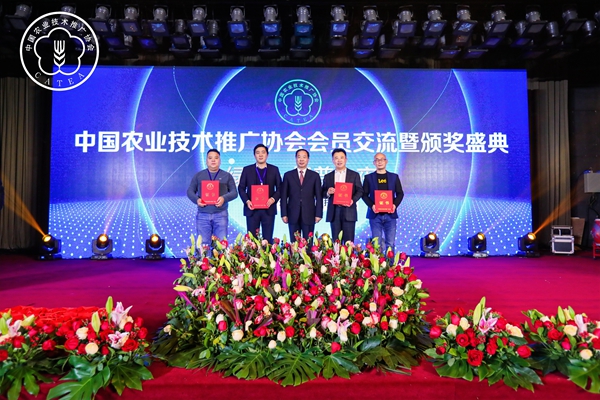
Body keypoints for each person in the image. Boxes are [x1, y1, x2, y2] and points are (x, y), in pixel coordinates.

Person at [187, 149, 238, 246]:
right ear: (206, 161)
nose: (213, 160)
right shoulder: (199, 175)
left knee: (221, 244)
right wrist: (197, 200)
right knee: (203, 244)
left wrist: (224, 198)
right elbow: (190, 191)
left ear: (220, 160)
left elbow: (234, 193)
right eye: (210, 158)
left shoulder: (227, 176)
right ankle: (204, 257)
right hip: (203, 214)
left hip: (221, 214)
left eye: (216, 158)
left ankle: (220, 257)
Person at [238, 144, 282, 242]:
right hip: (252, 209)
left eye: (263, 152)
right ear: (254, 155)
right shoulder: (247, 170)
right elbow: (241, 188)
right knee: (252, 241)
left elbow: (280, 187)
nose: (260, 155)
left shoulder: (274, 169)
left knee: (268, 240)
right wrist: (247, 201)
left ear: (267, 155)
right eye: (258, 153)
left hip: (268, 209)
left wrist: (273, 199)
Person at [362, 152, 404, 253]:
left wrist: (394, 205)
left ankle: (390, 263)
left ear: (386, 161)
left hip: (390, 215)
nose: (379, 162)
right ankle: (378, 263)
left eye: (382, 159)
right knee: (377, 244)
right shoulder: (368, 178)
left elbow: (400, 193)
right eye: (377, 160)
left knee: (390, 243)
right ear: (374, 163)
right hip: (375, 215)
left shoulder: (394, 177)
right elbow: (364, 195)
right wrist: (372, 205)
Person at [322, 148, 364, 243]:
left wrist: (352, 200)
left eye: (341, 157)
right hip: (334, 211)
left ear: (346, 159)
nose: (339, 160)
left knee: (349, 242)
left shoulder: (354, 175)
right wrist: (328, 192)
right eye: (336, 158)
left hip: (349, 211)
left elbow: (360, 191)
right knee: (336, 241)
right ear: (333, 160)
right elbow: (322, 193)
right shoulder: (328, 176)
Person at [280, 149, 323, 242]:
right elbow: (283, 196)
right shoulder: (288, 175)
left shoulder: (315, 176)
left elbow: (319, 197)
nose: (301, 159)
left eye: (304, 157)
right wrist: (284, 214)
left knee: (308, 242)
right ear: (296, 159)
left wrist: (318, 214)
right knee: (294, 243)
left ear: (308, 159)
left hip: (309, 214)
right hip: (292, 214)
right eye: (299, 157)